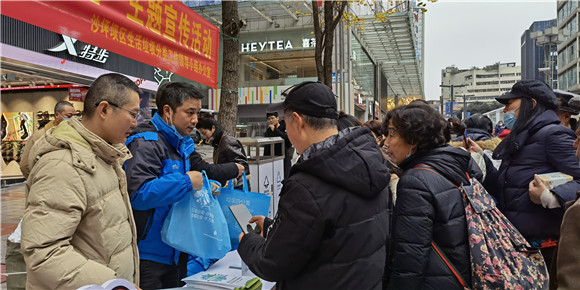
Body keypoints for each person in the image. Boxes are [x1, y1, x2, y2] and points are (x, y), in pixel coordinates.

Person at [237, 81, 391, 289]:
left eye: (286, 121)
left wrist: (247, 242)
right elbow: (334, 234)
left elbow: (272, 263)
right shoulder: (373, 164)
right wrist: (275, 227)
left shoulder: (308, 182)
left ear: (298, 121)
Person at [20, 73, 141, 289]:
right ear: (104, 109)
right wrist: (115, 285)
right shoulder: (62, 165)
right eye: (132, 114)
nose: (135, 123)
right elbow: (44, 254)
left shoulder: (105, 155)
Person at [124, 82, 233, 289]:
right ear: (168, 110)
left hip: (177, 247)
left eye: (197, 113)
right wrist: (186, 182)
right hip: (149, 254)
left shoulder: (180, 143)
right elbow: (138, 194)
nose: (194, 120)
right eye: (189, 112)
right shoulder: (146, 143)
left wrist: (203, 188)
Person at [483, 79, 580, 289]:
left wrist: (551, 197)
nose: (506, 110)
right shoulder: (524, 137)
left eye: (510, 104)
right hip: (520, 244)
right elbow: (509, 186)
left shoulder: (553, 135)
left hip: (544, 248)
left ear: (532, 104)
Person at [384, 102, 480, 289]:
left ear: (413, 139)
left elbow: (410, 256)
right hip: (462, 275)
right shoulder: (454, 165)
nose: (386, 142)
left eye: (391, 134)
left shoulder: (415, 181)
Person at [20, 101, 76, 178]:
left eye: (74, 116)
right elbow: (25, 165)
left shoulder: (75, 134)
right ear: (57, 115)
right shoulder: (39, 136)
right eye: (69, 116)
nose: (72, 119)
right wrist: (37, 180)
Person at [196, 113, 250, 188]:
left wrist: (233, 180)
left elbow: (243, 166)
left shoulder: (227, 141)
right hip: (228, 186)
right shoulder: (219, 142)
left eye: (205, 133)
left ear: (213, 128)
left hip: (236, 189)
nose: (204, 137)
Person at [264, 111, 293, 178]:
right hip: (273, 158)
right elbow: (267, 145)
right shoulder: (269, 130)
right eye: (269, 119)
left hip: (283, 157)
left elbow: (288, 141)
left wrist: (275, 130)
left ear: (277, 118)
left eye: (272, 118)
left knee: (285, 176)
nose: (270, 120)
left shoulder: (285, 126)